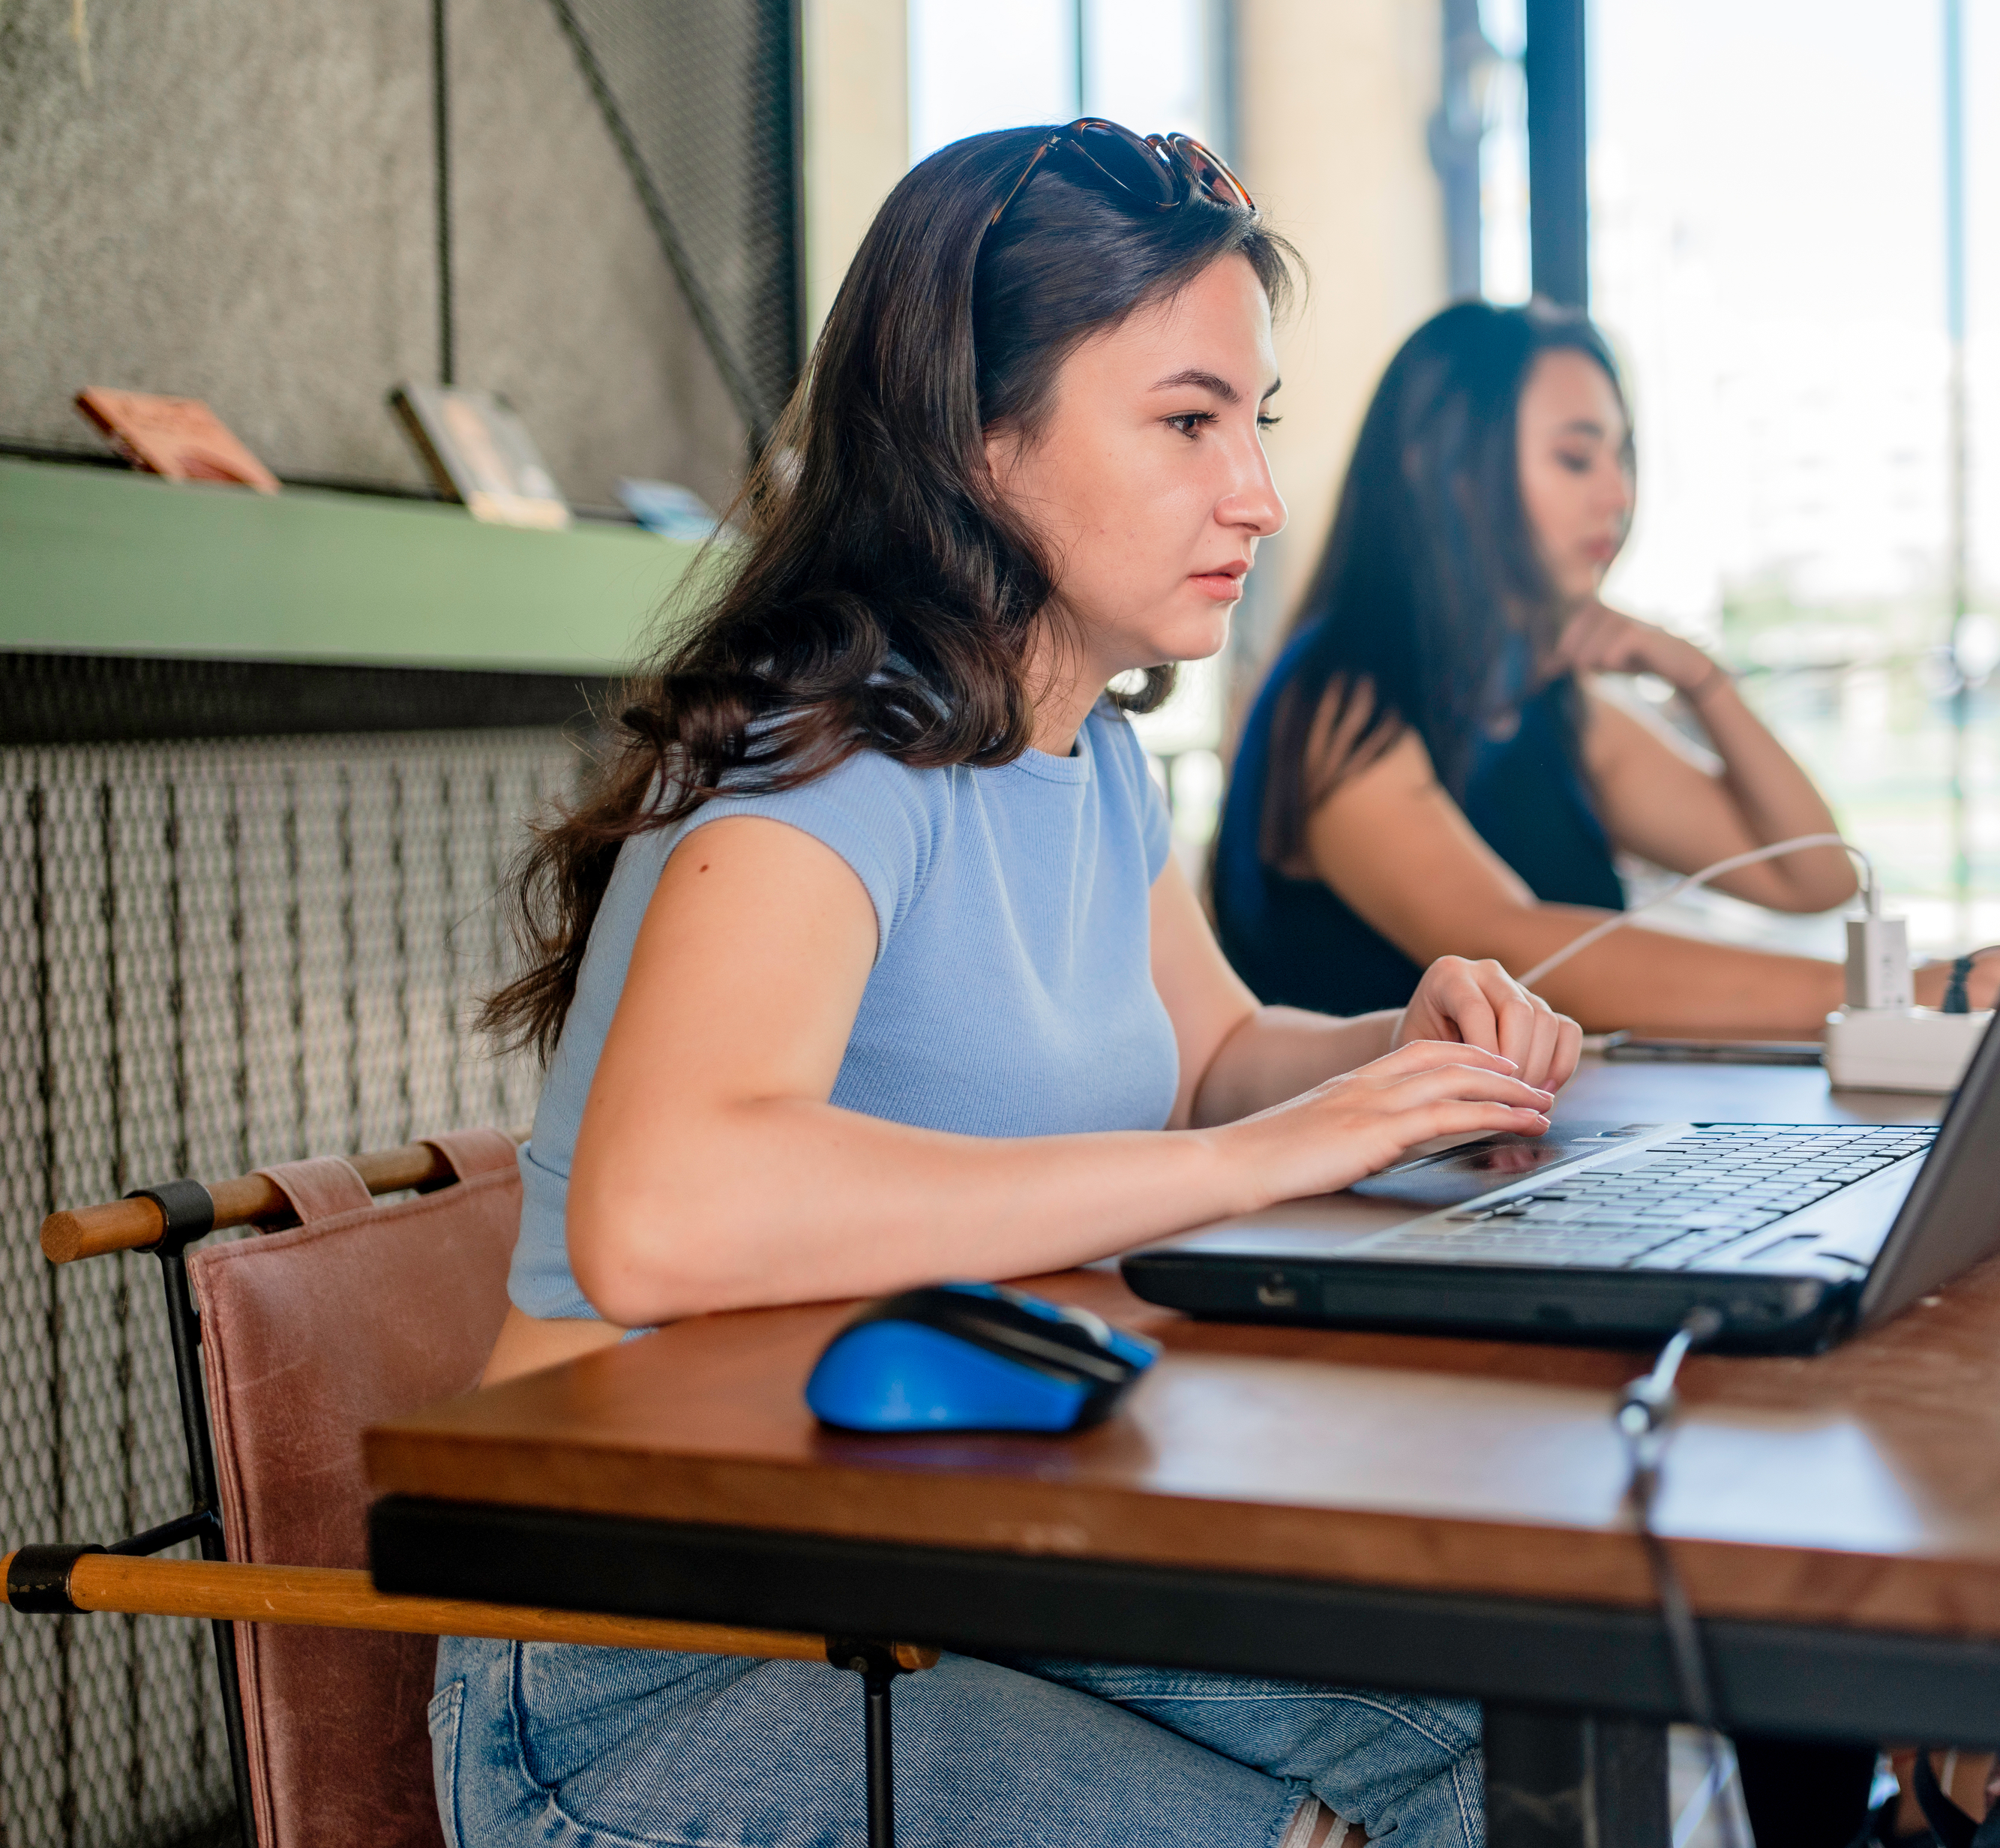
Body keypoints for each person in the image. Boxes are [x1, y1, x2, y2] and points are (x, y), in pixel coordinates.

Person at [444, 120, 1587, 1848]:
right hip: (648, 1655)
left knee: (1513, 1727)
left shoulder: (1084, 754)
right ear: (978, 444)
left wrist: (1402, 1046)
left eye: (1252, 425)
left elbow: (1213, 1055)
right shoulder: (823, 752)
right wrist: (1245, 1165)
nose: (1258, 495)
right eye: (1187, 421)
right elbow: (659, 1217)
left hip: (929, 1540)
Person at [1212, 302, 2000, 1037]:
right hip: (1381, 1186)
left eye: (1622, 457)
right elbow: (1513, 945)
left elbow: (1813, 875)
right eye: (1574, 458)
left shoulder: (1554, 708)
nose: (1617, 494)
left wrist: (1698, 681)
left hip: (1538, 1156)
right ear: (1446, 469)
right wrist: (1902, 988)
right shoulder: (1331, 705)